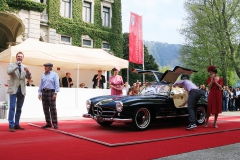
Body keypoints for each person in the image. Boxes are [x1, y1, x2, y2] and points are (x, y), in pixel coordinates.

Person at [7, 52, 32, 132]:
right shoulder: (11, 65)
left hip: (22, 89)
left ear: (23, 58)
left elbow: (29, 78)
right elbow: (9, 72)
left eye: (21, 56)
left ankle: (16, 124)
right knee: (12, 107)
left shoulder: (25, 67)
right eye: (18, 56)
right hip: (13, 89)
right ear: (16, 57)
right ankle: (11, 125)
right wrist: (16, 66)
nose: (20, 58)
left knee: (19, 108)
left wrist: (28, 72)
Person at [38, 63, 60, 129]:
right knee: (45, 108)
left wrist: (55, 93)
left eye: (46, 67)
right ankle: (48, 123)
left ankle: (55, 123)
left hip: (51, 92)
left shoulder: (54, 74)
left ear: (50, 68)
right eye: (45, 66)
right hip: (44, 92)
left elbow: (57, 84)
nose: (45, 68)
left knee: (53, 109)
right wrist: (39, 93)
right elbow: (41, 85)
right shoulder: (43, 75)